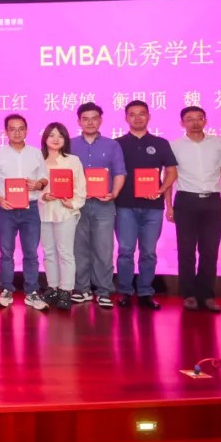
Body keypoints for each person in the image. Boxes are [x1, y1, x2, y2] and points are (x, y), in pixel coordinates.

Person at [166, 106, 221, 313]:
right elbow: (169, 177)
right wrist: (168, 205)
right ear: (182, 123)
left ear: (205, 121)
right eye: (190, 119)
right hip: (185, 201)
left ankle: (207, 295)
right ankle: (188, 294)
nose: (195, 122)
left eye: (199, 118)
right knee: (186, 251)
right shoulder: (174, 146)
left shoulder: (219, 143)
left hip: (212, 202)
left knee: (210, 251)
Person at [114, 100, 179, 309]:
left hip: (153, 208)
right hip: (124, 206)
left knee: (148, 252)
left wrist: (161, 190)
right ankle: (125, 291)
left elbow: (171, 172)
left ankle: (145, 292)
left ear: (149, 116)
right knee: (125, 251)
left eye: (141, 113)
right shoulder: (117, 144)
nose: (137, 118)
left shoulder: (161, 143)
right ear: (126, 118)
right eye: (132, 114)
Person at [69, 102, 127, 309]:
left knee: (104, 249)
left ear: (101, 120)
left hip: (104, 205)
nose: (90, 122)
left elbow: (119, 172)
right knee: (79, 248)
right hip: (78, 205)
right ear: (79, 121)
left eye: (94, 118)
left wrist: (114, 193)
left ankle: (103, 290)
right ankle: (82, 289)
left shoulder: (112, 145)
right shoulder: (70, 145)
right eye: (85, 119)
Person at [0, 114, 47, 311]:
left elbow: (44, 177)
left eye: (21, 128)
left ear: (26, 131)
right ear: (6, 132)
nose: (17, 132)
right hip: (7, 210)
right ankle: (6, 290)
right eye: (12, 129)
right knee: (6, 253)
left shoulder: (36, 153)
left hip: (30, 209)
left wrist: (38, 184)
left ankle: (32, 292)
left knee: (31, 253)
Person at [39, 122, 87, 310]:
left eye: (60, 135)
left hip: (65, 211)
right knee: (48, 252)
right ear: (45, 138)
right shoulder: (38, 160)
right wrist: (43, 196)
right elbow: (32, 187)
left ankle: (66, 290)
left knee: (65, 252)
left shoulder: (73, 161)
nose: (56, 139)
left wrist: (73, 203)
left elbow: (81, 186)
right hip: (44, 212)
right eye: (51, 135)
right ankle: (52, 287)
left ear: (65, 139)